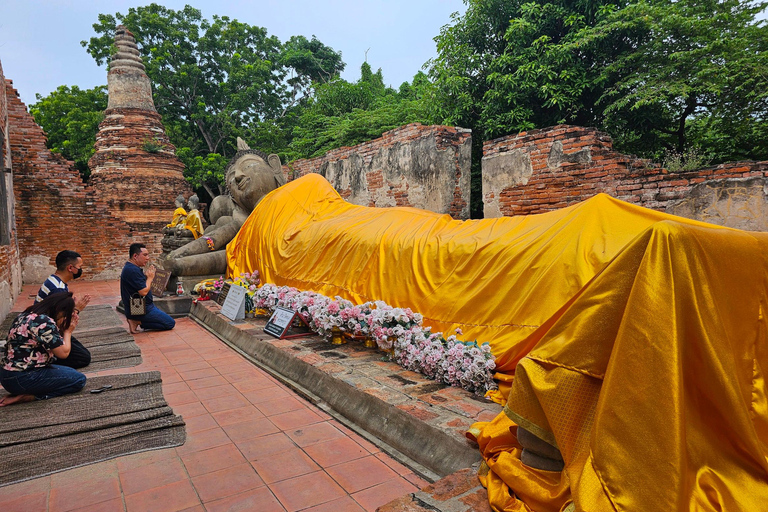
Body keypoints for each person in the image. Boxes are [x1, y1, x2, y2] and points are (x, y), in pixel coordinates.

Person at [0, 292, 86, 406]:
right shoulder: (44, 322)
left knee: (70, 372)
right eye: (66, 316)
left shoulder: (27, 314)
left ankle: (25, 391)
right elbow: (63, 353)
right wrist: (68, 331)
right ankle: (31, 396)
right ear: (59, 310)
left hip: (7, 376)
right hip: (23, 378)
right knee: (79, 380)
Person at [34, 250, 92, 369]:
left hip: (44, 324)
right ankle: (44, 358)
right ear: (70, 268)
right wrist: (76, 309)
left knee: (80, 350)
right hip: (43, 330)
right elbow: (60, 322)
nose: (80, 270)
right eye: (79, 267)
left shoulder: (54, 280)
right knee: (83, 358)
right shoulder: (58, 288)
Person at [120, 243, 175, 334]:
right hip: (140, 309)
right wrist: (150, 278)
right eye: (145, 255)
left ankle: (137, 321)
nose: (148, 258)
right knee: (170, 323)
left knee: (164, 319)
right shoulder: (132, 270)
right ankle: (137, 321)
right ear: (135, 256)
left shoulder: (131, 267)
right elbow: (143, 292)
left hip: (143, 307)